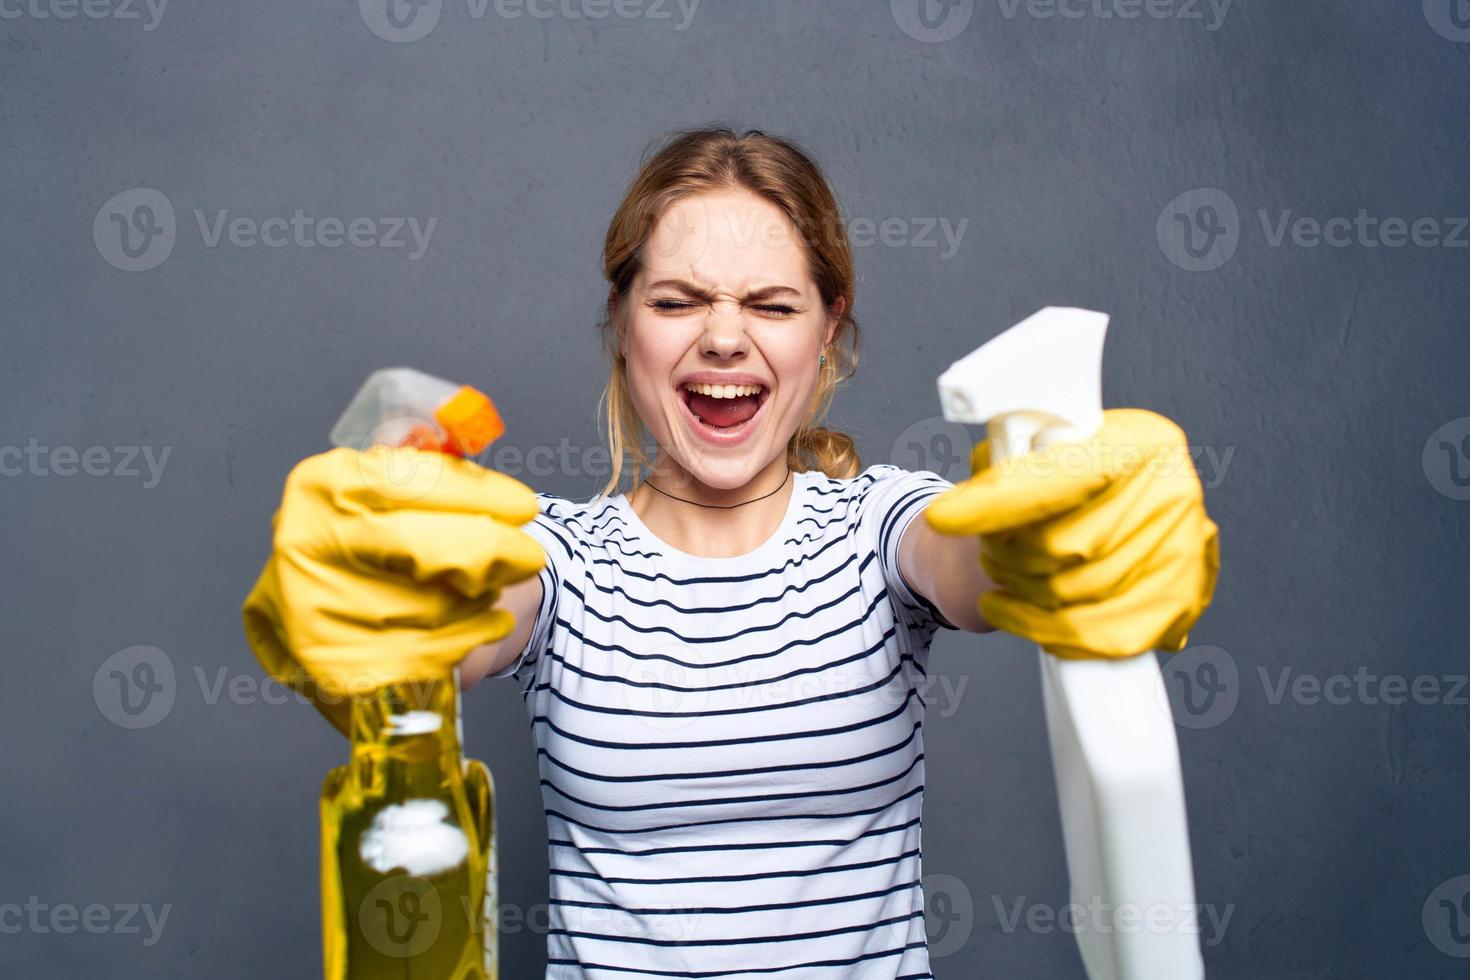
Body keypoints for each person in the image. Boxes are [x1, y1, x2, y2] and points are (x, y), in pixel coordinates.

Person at [243, 126, 1219, 978]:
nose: (722, 336)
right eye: (677, 301)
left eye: (771, 304)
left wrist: (1061, 534)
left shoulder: (879, 530)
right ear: (622, 329)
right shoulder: (558, 559)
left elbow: (980, 556)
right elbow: (449, 628)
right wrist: (374, 601)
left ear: (828, 332)